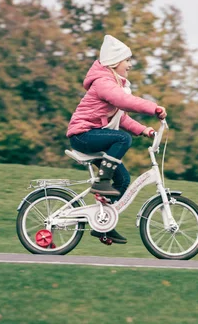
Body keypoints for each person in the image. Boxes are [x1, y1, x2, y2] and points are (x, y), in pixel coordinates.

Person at [66, 34, 167, 243]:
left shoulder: (113, 85)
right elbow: (124, 102)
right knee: (122, 139)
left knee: (122, 179)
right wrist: (152, 108)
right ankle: (102, 182)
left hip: (93, 136)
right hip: (82, 135)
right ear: (114, 62)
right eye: (127, 60)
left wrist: (144, 130)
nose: (130, 65)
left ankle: (104, 224)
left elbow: (122, 118)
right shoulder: (103, 82)